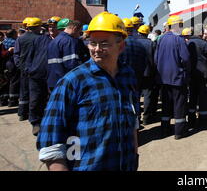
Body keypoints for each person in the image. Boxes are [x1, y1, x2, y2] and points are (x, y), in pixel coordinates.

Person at [37, 12, 139, 171]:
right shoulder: (72, 82)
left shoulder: (128, 76)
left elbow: (132, 122)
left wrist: (134, 156)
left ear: (121, 46)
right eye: (92, 43)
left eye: (105, 43)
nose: (97, 49)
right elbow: (51, 145)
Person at [154, 15, 191, 139]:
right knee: (179, 105)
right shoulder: (179, 40)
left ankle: (164, 130)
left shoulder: (160, 39)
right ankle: (179, 132)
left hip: (163, 78)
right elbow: (185, 58)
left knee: (165, 105)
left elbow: (156, 59)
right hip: (177, 78)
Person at [26, 17, 61, 136]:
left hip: (55, 77)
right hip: (37, 75)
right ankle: (36, 123)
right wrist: (29, 69)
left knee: (53, 100)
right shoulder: (40, 40)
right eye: (50, 26)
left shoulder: (62, 40)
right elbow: (29, 56)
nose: (51, 28)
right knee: (36, 100)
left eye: (54, 26)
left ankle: (51, 123)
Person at [187, 24, 207, 129]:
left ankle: (191, 119)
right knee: (203, 97)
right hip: (203, 74)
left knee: (192, 97)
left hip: (191, 74)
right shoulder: (203, 43)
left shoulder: (188, 42)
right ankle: (203, 121)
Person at [14, 18, 43, 121]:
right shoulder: (40, 38)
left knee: (24, 91)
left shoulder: (20, 38)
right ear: (38, 27)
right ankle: (33, 114)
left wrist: (20, 66)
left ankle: (22, 113)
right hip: (36, 69)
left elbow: (16, 54)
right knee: (35, 93)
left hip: (23, 69)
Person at [47, 20, 83, 91]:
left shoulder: (54, 41)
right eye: (79, 32)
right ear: (74, 28)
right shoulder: (69, 41)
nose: (79, 35)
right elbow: (71, 65)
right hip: (65, 82)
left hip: (52, 80)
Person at [135, 25, 157, 125]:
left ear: (139, 32)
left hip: (136, 73)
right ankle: (146, 117)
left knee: (136, 95)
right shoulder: (151, 44)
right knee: (148, 95)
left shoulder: (134, 42)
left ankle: (137, 116)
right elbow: (155, 59)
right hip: (148, 73)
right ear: (148, 33)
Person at [1, 29, 19, 107]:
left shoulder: (3, 42)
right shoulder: (15, 42)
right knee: (14, 81)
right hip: (12, 63)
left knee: (6, 82)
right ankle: (12, 100)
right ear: (13, 34)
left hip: (4, 64)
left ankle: (4, 99)